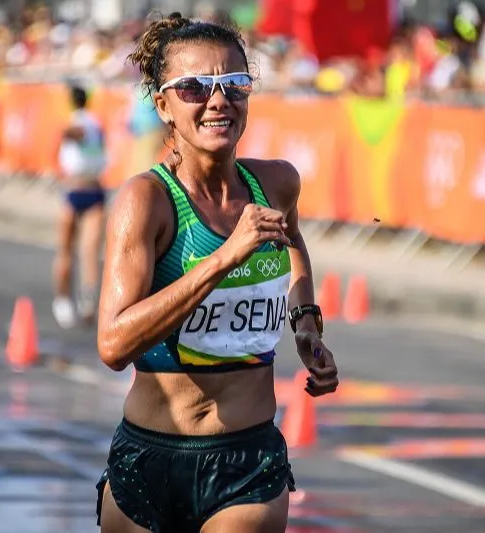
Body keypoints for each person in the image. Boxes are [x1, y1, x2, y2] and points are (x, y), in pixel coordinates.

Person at [94, 12, 340, 533]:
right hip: (149, 461)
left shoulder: (277, 184)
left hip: (247, 461)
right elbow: (114, 345)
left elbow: (291, 241)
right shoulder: (147, 201)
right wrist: (226, 255)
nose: (218, 99)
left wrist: (305, 324)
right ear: (162, 105)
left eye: (234, 83)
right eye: (193, 87)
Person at [52, 84, 107, 328]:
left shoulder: (80, 121)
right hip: (89, 189)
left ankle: (74, 300)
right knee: (86, 251)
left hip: (79, 189)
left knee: (72, 250)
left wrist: (66, 133)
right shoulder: (95, 121)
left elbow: (73, 133)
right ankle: (74, 300)